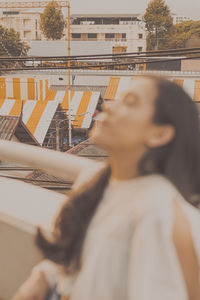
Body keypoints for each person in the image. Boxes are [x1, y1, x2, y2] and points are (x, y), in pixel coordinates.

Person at [1, 75, 200, 300]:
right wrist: (42, 278)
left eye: (130, 102)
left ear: (160, 134)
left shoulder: (157, 215)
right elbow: (76, 255)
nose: (107, 105)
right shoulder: (95, 179)